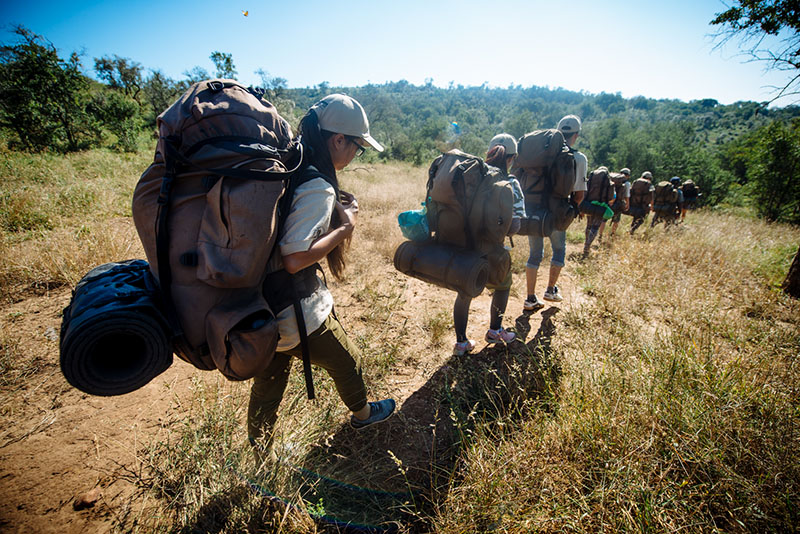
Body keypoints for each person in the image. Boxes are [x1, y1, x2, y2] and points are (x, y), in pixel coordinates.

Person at [248, 94, 395, 460]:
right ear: (338, 140)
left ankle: (260, 453)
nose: (354, 156)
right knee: (348, 361)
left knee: (268, 383)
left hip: (261, 304)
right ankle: (363, 415)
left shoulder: (292, 165)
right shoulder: (318, 185)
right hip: (294, 310)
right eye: (357, 147)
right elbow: (295, 258)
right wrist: (346, 228)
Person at [452, 133, 525, 355]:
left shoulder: (471, 177)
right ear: (511, 159)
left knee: (464, 291)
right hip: (492, 248)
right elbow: (515, 226)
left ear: (489, 153)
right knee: (503, 285)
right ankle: (495, 330)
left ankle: (461, 343)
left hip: (464, 246)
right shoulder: (511, 183)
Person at [523, 115, 587, 311]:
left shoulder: (540, 155)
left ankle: (530, 298)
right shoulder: (578, 158)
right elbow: (579, 195)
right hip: (558, 211)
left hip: (534, 209)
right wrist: (572, 210)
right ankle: (550, 290)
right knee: (559, 251)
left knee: (535, 255)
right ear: (576, 135)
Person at [582, 166, 615, 256]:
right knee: (595, 227)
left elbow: (585, 192)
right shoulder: (610, 183)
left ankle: (586, 242)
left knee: (588, 225)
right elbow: (611, 198)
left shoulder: (590, 180)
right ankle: (588, 245)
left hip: (589, 205)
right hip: (601, 207)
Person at [597, 167, 631, 242]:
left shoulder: (612, 178)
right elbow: (626, 195)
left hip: (608, 202)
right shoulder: (627, 183)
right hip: (618, 204)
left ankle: (600, 235)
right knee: (616, 220)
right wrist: (627, 204)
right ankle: (612, 234)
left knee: (604, 219)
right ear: (628, 175)